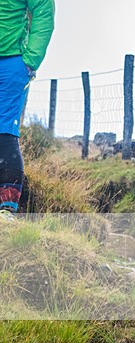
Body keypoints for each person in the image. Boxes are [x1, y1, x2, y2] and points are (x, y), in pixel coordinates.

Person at [0, 0, 55, 218]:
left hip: (11, 64)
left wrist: (31, 60)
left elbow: (43, 9)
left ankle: (7, 210)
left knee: (4, 133)